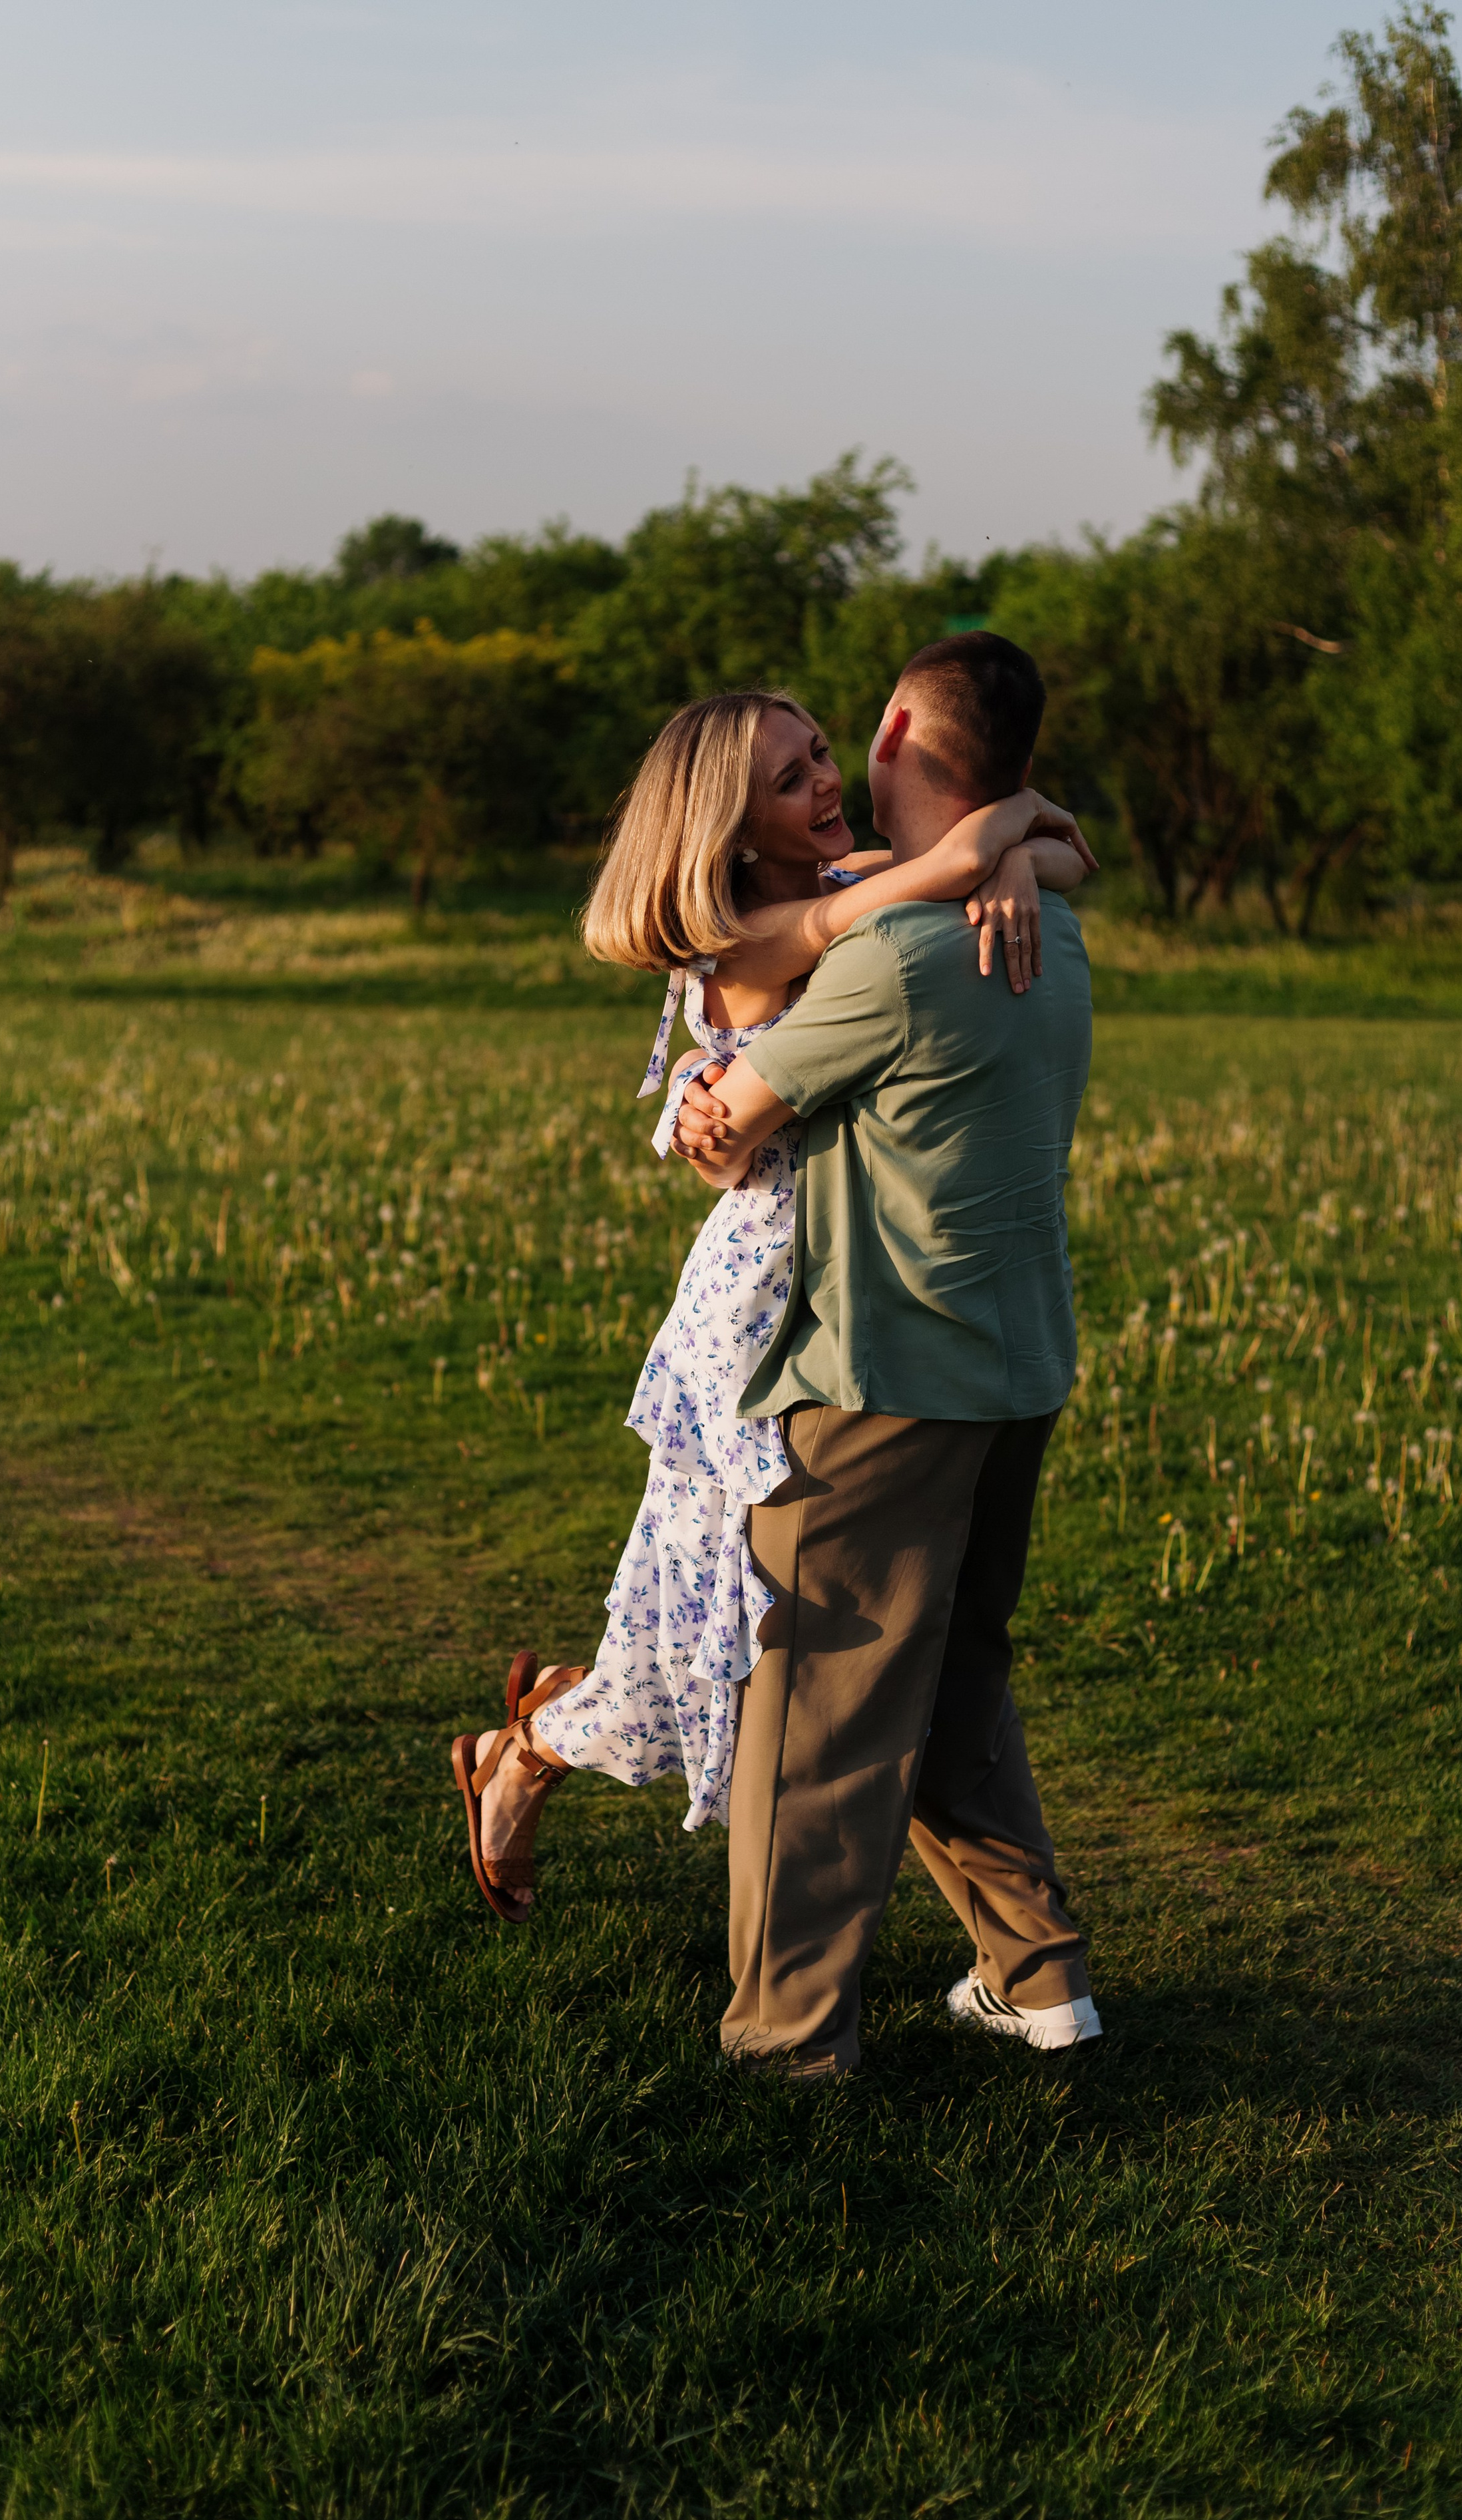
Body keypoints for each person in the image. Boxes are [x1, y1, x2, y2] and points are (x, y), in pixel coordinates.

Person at [451, 675, 1091, 1924]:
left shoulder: (843, 889)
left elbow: (1058, 837)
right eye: (791, 778)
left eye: (817, 755)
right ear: (731, 828)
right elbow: (992, 842)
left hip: (844, 1281)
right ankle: (521, 1759)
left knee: (727, 1623)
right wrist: (1000, 853)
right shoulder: (762, 926)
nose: (825, 783)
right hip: (764, 1309)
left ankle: (520, 1756)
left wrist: (1012, 862)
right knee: (723, 1626)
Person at [669, 633, 1100, 2072]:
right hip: (1019, 1366)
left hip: (878, 1381)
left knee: (814, 1723)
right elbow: (1054, 852)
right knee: (954, 1691)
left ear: (899, 728)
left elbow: (724, 1127)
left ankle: (786, 2044)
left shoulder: (896, 957)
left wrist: (707, 1106)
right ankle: (1035, 1980)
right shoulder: (1044, 920)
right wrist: (1021, 840)